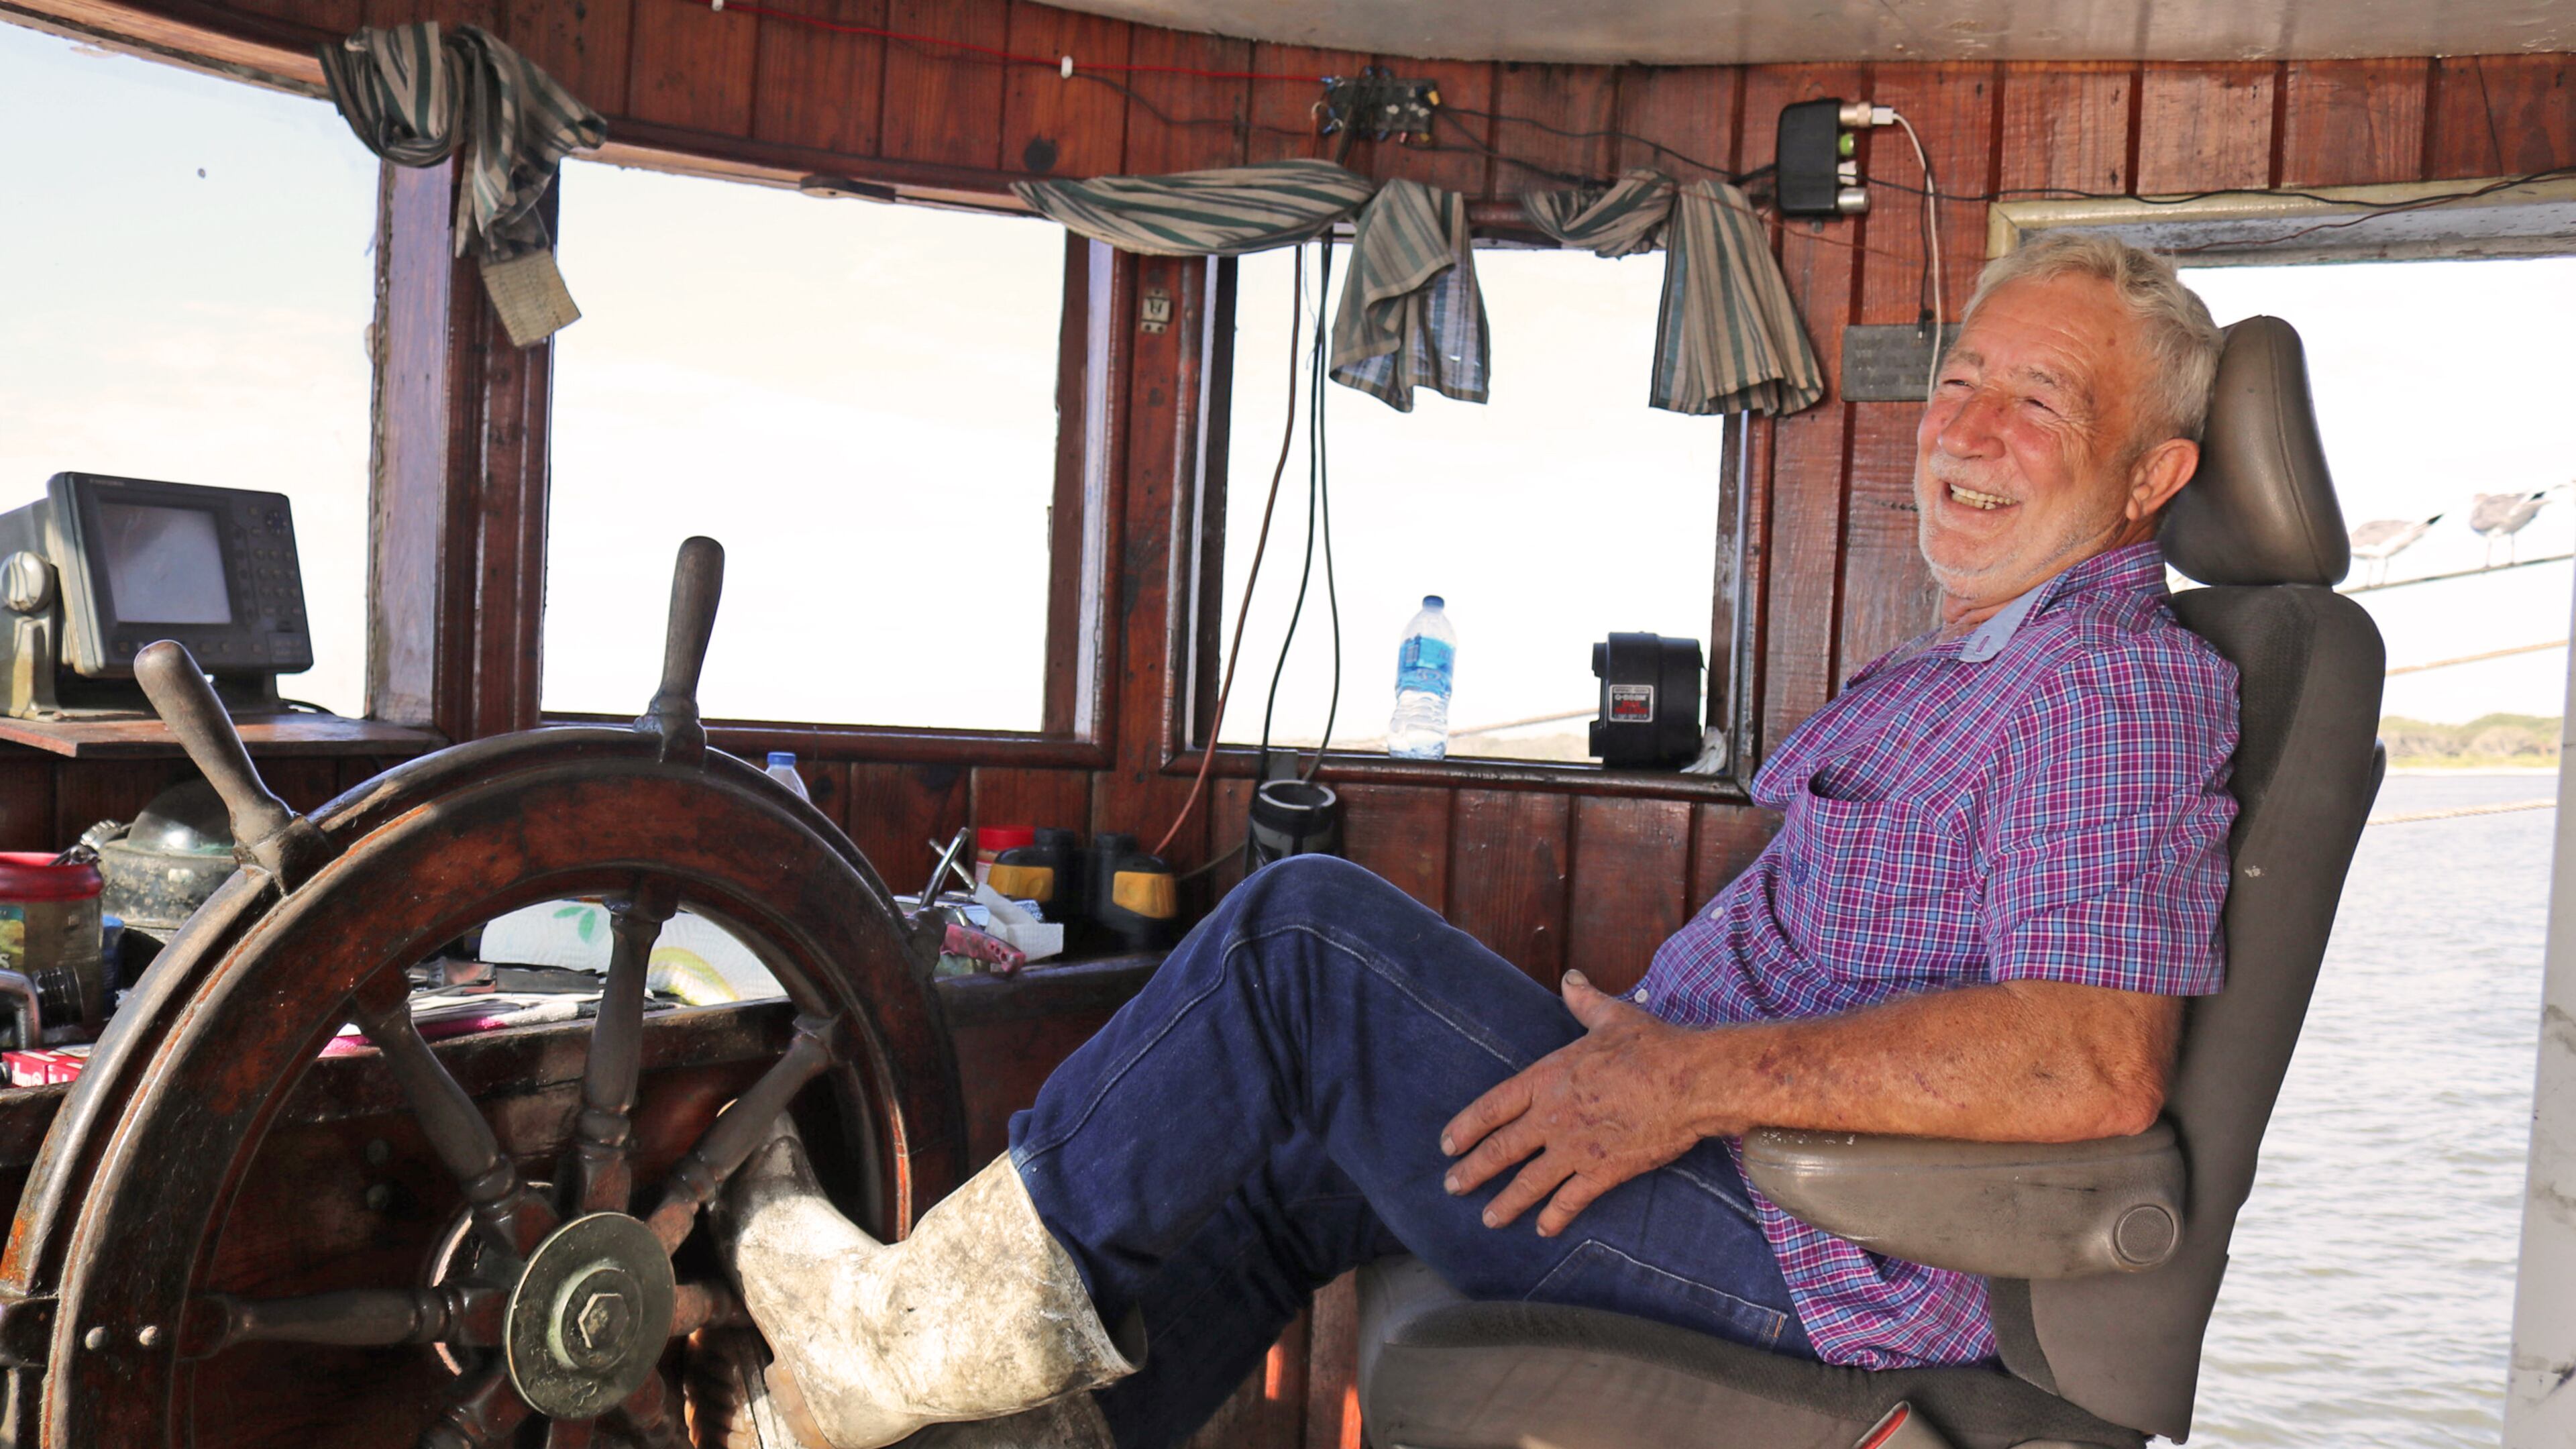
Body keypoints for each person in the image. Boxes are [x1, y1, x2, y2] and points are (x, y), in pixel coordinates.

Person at [706, 231, 2241, 1449]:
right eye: (1961, 382)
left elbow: (2086, 1064)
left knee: (1303, 943)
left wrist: (1683, 1081)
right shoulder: (1972, 665)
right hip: (1749, 1170)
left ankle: (891, 1345)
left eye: (2038, 403)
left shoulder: (2112, 685)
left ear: (2151, 477)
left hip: (1825, 1245)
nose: (1965, 431)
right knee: (1303, 1153)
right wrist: (1665, 1070)